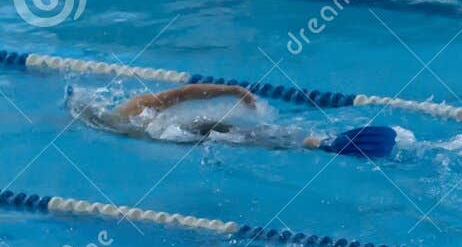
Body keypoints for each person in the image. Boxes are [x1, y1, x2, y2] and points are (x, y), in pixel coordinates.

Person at [80, 83, 397, 158]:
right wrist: (233, 91)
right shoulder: (131, 108)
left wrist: (233, 91)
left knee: (249, 137)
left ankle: (319, 144)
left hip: (181, 133)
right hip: (184, 131)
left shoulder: (121, 120)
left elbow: (183, 93)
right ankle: (319, 142)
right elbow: (183, 93)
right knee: (251, 135)